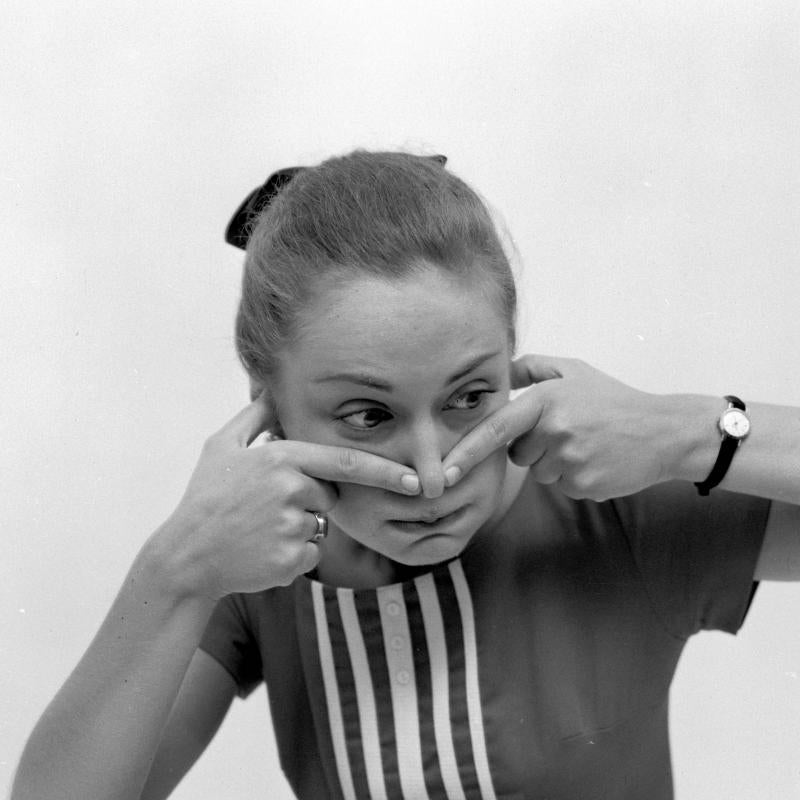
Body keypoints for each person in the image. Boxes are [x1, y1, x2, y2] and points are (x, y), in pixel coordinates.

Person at [11, 150, 800, 800]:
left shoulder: (612, 511)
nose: (432, 475)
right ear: (268, 409)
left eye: (469, 397)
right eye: (367, 415)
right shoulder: (254, 573)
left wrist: (695, 431)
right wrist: (177, 565)